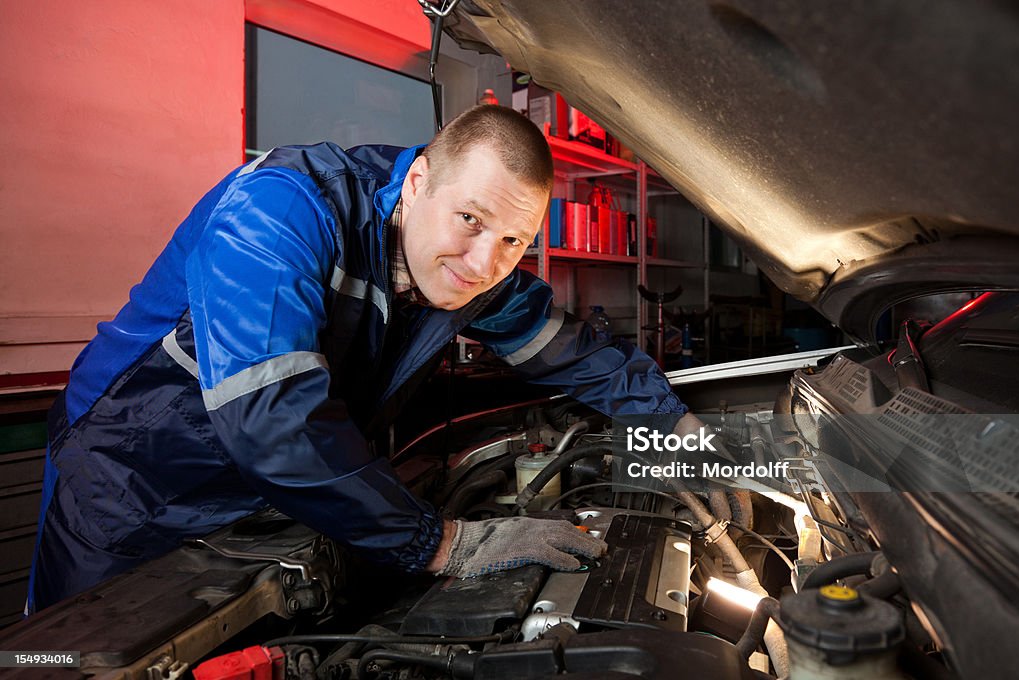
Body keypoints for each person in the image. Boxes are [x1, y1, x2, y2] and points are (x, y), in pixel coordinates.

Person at [28, 105, 688, 613]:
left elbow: (573, 353)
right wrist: (443, 544)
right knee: (87, 656)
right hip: (130, 480)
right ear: (419, 180)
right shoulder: (281, 211)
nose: (485, 263)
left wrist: (688, 437)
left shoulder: (470, 271)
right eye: (470, 219)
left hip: (269, 502)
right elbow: (270, 418)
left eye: (516, 239)